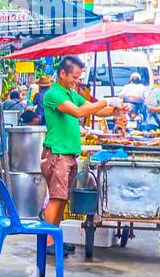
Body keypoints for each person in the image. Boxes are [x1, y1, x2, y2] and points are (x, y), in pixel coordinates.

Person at [41, 56, 121, 241]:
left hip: (68, 155)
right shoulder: (54, 94)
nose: (78, 81)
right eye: (75, 77)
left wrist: (115, 110)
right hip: (57, 153)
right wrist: (106, 101)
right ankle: (47, 242)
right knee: (56, 198)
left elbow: (95, 110)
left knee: (63, 200)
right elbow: (78, 112)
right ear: (63, 73)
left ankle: (55, 239)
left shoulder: (71, 94)